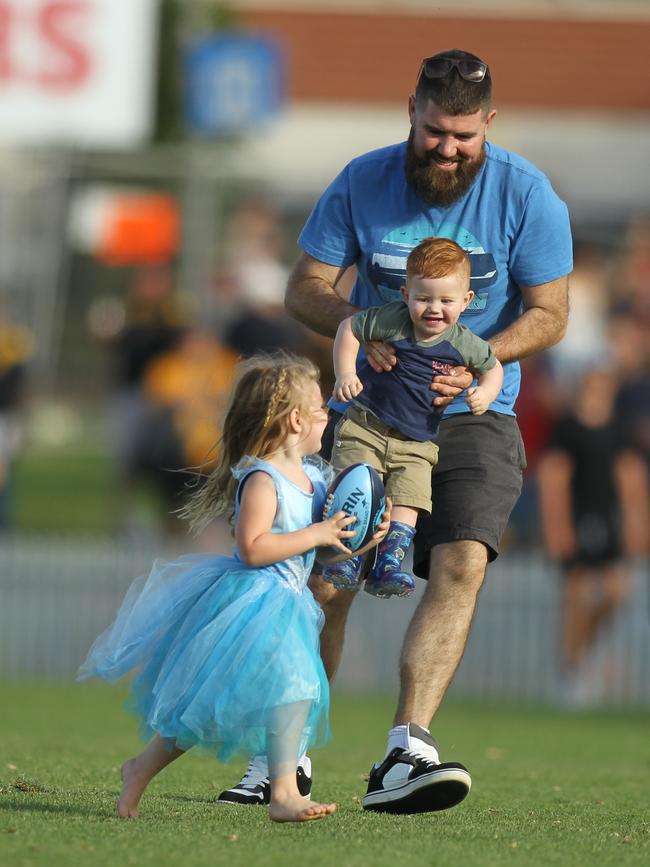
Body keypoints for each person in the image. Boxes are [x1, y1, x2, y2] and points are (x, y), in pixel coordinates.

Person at [257, 46, 570, 814]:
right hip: (370, 413)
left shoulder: (527, 195)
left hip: (473, 413)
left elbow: (551, 312)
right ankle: (289, 758)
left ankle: (407, 749)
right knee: (331, 572)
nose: (448, 148)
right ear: (413, 111)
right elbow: (304, 287)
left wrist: (481, 360)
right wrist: (361, 330)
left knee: (463, 560)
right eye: (436, 130)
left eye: (465, 135)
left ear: (488, 124)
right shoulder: (363, 180)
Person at [79, 353, 389, 823]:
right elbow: (253, 548)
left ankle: (283, 792)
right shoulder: (262, 479)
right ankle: (140, 769)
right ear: (295, 420)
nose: (329, 414)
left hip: (290, 604)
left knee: (296, 690)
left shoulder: (316, 478)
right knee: (205, 708)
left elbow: (320, 553)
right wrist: (318, 534)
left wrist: (361, 538)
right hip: (252, 603)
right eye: (321, 409)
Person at [324, 237, 503, 598]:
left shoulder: (463, 342)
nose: (434, 309)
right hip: (367, 427)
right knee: (356, 491)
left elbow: (493, 366)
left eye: (446, 301)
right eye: (424, 298)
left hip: (417, 442)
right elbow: (349, 329)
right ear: (406, 295)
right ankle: (348, 556)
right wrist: (345, 372)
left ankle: (387, 564)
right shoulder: (393, 320)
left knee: (409, 500)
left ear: (466, 301)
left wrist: (485, 392)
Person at [537, 367, 650, 705]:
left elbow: (631, 478)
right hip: (578, 517)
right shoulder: (567, 428)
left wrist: (636, 523)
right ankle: (570, 672)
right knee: (576, 595)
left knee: (616, 591)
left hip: (607, 518)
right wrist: (557, 527)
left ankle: (581, 656)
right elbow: (552, 478)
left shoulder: (618, 430)